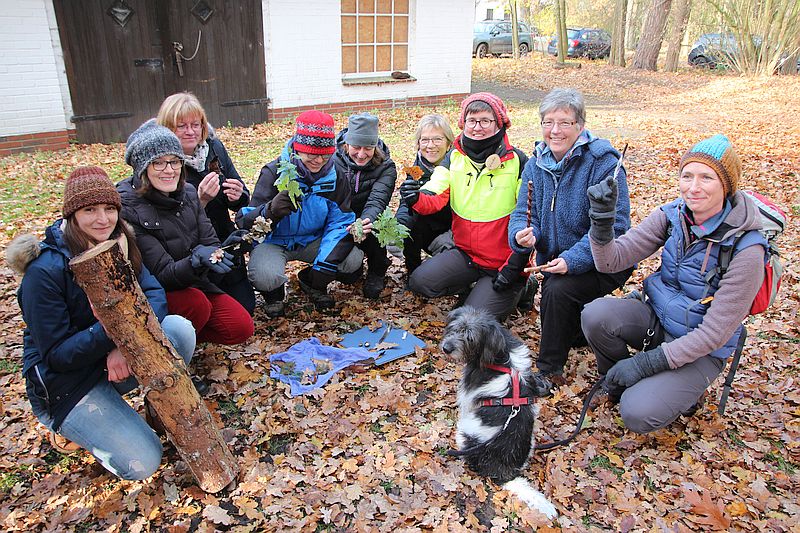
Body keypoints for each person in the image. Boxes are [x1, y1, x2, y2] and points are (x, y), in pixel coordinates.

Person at [7, 166, 196, 480]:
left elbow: (153, 293)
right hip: (66, 385)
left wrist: (125, 344)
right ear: (71, 215)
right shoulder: (45, 271)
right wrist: (116, 337)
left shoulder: (121, 244)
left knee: (179, 331)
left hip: (109, 361)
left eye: (109, 209)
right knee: (144, 461)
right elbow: (57, 355)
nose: (102, 219)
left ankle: (154, 405)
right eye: (90, 210)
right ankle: (73, 431)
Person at [581, 134, 765, 434]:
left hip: (702, 348)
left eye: (706, 178)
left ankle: (666, 389)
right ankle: (617, 380)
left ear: (727, 185)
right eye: (687, 175)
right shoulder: (672, 216)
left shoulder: (747, 249)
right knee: (596, 314)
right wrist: (601, 223)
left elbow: (714, 334)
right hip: (659, 319)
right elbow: (610, 262)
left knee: (637, 413)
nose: (693, 187)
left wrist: (643, 365)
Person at [507, 88, 632, 395]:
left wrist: (572, 260)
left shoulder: (603, 163)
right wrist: (523, 234)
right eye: (548, 122)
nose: (555, 130)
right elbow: (524, 211)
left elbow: (614, 227)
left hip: (607, 260)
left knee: (557, 290)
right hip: (556, 258)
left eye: (564, 122)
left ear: (580, 125)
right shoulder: (536, 162)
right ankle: (577, 333)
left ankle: (548, 370)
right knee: (558, 293)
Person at [118, 121, 255, 344]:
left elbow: (210, 242)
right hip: (160, 294)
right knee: (196, 304)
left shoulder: (188, 192)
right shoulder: (129, 208)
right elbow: (162, 274)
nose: (169, 170)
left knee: (240, 327)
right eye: (158, 164)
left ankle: (186, 337)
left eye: (174, 161)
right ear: (142, 169)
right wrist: (195, 261)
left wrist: (230, 247)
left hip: (195, 282)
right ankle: (167, 343)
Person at [400, 92, 529, 321]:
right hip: (466, 254)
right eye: (471, 121)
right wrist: (415, 198)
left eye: (485, 121)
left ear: (499, 124)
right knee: (419, 283)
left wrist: (513, 268)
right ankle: (477, 288)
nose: (477, 127)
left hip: (502, 262)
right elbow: (435, 192)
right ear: (463, 123)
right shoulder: (454, 157)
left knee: (469, 320)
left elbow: (529, 219)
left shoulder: (518, 161)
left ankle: (521, 289)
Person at [238, 110, 363, 316]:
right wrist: (271, 211)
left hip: (313, 239)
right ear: (297, 148)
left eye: (325, 154)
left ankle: (311, 281)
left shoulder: (336, 176)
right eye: (311, 154)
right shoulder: (273, 172)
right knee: (264, 275)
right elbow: (245, 223)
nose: (318, 160)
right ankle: (274, 293)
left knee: (352, 260)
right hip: (274, 241)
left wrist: (324, 266)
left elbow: (341, 222)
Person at [156, 92, 250, 241]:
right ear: (167, 128)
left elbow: (243, 200)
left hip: (224, 239)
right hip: (188, 247)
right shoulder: (160, 163)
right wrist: (200, 201)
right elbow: (166, 221)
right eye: (181, 126)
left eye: (195, 125)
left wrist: (237, 197)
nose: (190, 132)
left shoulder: (214, 148)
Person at [333, 113, 399, 298]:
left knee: (378, 225)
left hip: (369, 215)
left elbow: (378, 200)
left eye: (368, 148)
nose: (361, 154)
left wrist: (364, 222)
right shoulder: (332, 161)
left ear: (375, 146)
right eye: (356, 147)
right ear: (347, 144)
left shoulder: (386, 166)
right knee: (348, 277)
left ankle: (377, 270)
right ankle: (351, 267)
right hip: (340, 216)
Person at [394, 114, 456, 275]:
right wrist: (398, 228)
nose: (431, 145)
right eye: (425, 140)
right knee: (411, 223)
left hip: (455, 230)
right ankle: (413, 271)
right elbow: (406, 204)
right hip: (428, 231)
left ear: (449, 144)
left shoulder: (459, 167)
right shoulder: (416, 170)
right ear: (418, 144)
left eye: (437, 139)